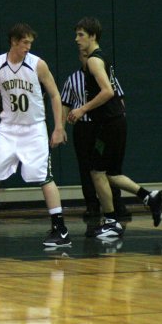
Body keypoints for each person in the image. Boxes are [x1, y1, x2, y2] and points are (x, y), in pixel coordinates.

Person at [0, 23, 69, 250]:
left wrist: (58, 127)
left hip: (34, 128)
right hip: (8, 128)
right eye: (25, 43)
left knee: (43, 176)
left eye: (30, 43)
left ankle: (60, 229)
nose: (28, 47)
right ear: (14, 42)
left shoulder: (38, 64)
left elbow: (54, 94)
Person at [68, 17, 162, 240]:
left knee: (96, 171)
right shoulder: (97, 58)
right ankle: (150, 197)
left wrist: (82, 109)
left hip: (109, 124)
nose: (76, 39)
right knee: (110, 173)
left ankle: (111, 221)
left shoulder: (95, 61)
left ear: (93, 36)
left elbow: (108, 92)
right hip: (114, 123)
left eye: (81, 34)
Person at [60, 50, 130, 234]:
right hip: (84, 128)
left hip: (103, 125)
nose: (87, 60)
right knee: (87, 167)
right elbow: (65, 103)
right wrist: (60, 128)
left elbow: (117, 97)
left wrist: (119, 120)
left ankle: (116, 204)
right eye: (83, 56)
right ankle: (92, 205)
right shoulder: (72, 79)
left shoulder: (104, 75)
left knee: (107, 168)